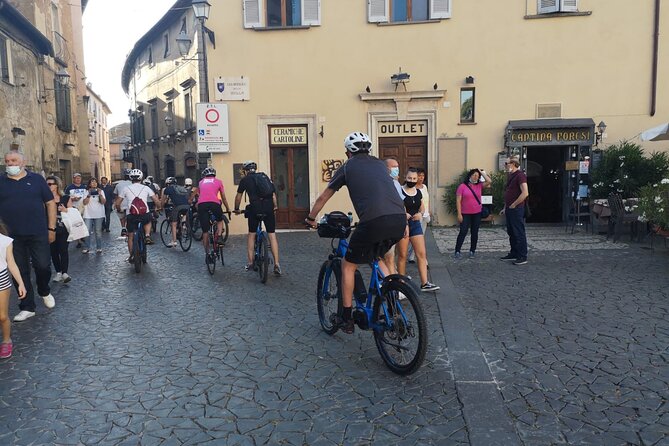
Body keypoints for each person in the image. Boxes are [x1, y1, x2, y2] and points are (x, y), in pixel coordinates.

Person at [306, 132, 407, 334]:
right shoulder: (380, 165)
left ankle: (345, 316)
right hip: (398, 218)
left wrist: (310, 218)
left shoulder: (348, 166)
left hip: (373, 220)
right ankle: (392, 301)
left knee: (348, 264)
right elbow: (391, 192)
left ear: (347, 152)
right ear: (368, 149)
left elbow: (324, 196)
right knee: (377, 257)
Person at [0, 151, 56, 322]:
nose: (10, 164)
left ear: (23, 162)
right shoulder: (1, 181)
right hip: (11, 236)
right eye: (7, 161)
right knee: (20, 271)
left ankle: (44, 290)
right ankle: (27, 306)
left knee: (43, 266)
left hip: (38, 232)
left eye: (14, 160)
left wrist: (51, 228)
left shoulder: (37, 180)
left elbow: (50, 202)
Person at [233, 162, 281, 275]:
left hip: (255, 208)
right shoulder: (264, 177)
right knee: (272, 235)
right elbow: (273, 194)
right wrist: (275, 206)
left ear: (245, 171)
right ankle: (277, 264)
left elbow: (238, 196)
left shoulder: (245, 180)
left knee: (252, 234)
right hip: (268, 207)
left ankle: (250, 262)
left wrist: (236, 209)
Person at [396, 168, 439, 292]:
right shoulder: (400, 191)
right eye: (409, 178)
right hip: (403, 225)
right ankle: (400, 283)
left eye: (414, 178)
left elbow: (421, 207)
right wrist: (404, 215)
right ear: (405, 177)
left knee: (421, 254)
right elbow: (397, 206)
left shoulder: (418, 192)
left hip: (415, 224)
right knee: (402, 255)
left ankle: (424, 283)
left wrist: (421, 214)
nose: (412, 180)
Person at [115, 169, 160, 261]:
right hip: (144, 213)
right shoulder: (146, 188)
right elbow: (155, 200)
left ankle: (132, 255)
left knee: (130, 236)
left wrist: (119, 209)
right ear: (141, 178)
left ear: (131, 178)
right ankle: (147, 235)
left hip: (131, 214)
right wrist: (159, 207)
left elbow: (118, 202)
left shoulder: (126, 188)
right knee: (148, 220)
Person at [0, 219, 27, 359]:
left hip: (1, 280)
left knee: (2, 316)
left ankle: (6, 340)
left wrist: (21, 283)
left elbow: (11, 263)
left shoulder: (5, 241)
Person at [192, 167, 231, 259]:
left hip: (202, 205)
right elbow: (223, 197)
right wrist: (228, 209)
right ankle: (220, 237)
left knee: (205, 231)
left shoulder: (201, 182)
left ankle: (207, 254)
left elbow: (201, 195)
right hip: (214, 203)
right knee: (219, 219)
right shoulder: (218, 182)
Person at [454, 169, 491, 259]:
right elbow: (458, 201)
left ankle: (472, 251)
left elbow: (489, 181)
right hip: (465, 213)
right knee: (463, 232)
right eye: (474, 175)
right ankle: (457, 250)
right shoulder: (462, 186)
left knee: (475, 232)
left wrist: (482, 172)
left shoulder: (479, 185)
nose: (476, 177)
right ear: (470, 175)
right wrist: (459, 214)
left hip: (476, 213)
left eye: (477, 176)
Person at [500, 157, 529, 265]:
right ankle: (514, 253)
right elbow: (509, 193)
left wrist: (514, 204)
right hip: (510, 208)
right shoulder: (511, 176)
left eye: (506, 163)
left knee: (518, 232)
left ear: (513, 164)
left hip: (516, 209)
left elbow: (525, 193)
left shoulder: (520, 176)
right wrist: (505, 207)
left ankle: (522, 255)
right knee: (511, 232)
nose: (505, 165)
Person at [46, 176, 72, 283]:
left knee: (63, 250)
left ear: (56, 185)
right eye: (46, 184)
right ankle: (58, 272)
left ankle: (65, 273)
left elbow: (72, 212)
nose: (48, 186)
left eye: (50, 184)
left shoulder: (65, 198)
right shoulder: (45, 199)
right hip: (50, 229)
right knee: (53, 252)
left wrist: (65, 210)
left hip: (63, 228)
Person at [408, 167, 430, 263]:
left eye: (422, 176)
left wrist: (429, 210)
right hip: (415, 216)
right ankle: (413, 256)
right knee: (413, 237)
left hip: (424, 214)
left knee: (421, 236)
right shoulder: (412, 189)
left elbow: (426, 200)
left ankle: (413, 256)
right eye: (419, 176)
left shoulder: (424, 187)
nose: (421, 178)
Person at [161, 177, 191, 247]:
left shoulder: (167, 189)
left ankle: (174, 241)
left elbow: (163, 200)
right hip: (187, 206)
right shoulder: (181, 188)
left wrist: (161, 208)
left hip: (177, 206)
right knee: (182, 216)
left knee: (173, 223)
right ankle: (183, 226)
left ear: (167, 184)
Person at [82, 178, 106, 254]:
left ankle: (99, 247)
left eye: (95, 182)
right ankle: (86, 247)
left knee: (98, 231)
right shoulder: (86, 191)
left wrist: (100, 194)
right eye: (92, 182)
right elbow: (84, 203)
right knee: (87, 231)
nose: (94, 183)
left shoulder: (101, 191)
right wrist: (88, 195)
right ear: (89, 184)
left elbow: (103, 202)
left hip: (99, 214)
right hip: (88, 214)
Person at [65, 173, 88, 248]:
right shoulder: (69, 188)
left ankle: (83, 237)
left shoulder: (84, 187)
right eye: (76, 178)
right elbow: (65, 198)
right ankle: (79, 241)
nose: (78, 179)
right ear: (73, 179)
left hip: (84, 208)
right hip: (74, 208)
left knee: (84, 223)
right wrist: (73, 199)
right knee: (77, 224)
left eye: (79, 178)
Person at [114, 169, 132, 238]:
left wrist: (116, 204)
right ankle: (129, 229)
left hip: (121, 203)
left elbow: (116, 195)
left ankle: (123, 228)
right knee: (129, 217)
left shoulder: (118, 184)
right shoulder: (132, 184)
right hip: (130, 204)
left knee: (122, 217)